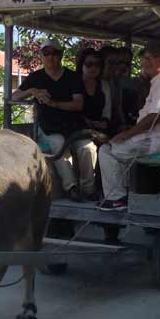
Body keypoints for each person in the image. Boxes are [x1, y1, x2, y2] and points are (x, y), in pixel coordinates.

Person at [12, 39, 97, 202]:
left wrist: (54, 103)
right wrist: (31, 91)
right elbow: (13, 97)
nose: (51, 57)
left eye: (55, 53)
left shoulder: (72, 77)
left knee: (88, 148)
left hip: (74, 126)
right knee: (58, 144)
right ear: (41, 56)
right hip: (48, 127)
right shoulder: (35, 77)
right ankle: (71, 187)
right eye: (46, 53)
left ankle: (89, 189)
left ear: (61, 55)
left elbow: (78, 104)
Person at [97, 41, 160, 211]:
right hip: (152, 138)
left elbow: (157, 116)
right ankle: (123, 194)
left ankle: (117, 198)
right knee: (115, 147)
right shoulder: (159, 80)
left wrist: (129, 133)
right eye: (144, 58)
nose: (146, 63)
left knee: (107, 151)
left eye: (151, 58)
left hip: (153, 141)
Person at [76, 48, 107, 132]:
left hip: (99, 130)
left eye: (97, 64)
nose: (93, 67)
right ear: (81, 64)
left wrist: (104, 122)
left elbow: (107, 112)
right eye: (89, 64)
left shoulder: (104, 85)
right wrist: (88, 122)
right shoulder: (73, 83)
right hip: (76, 128)